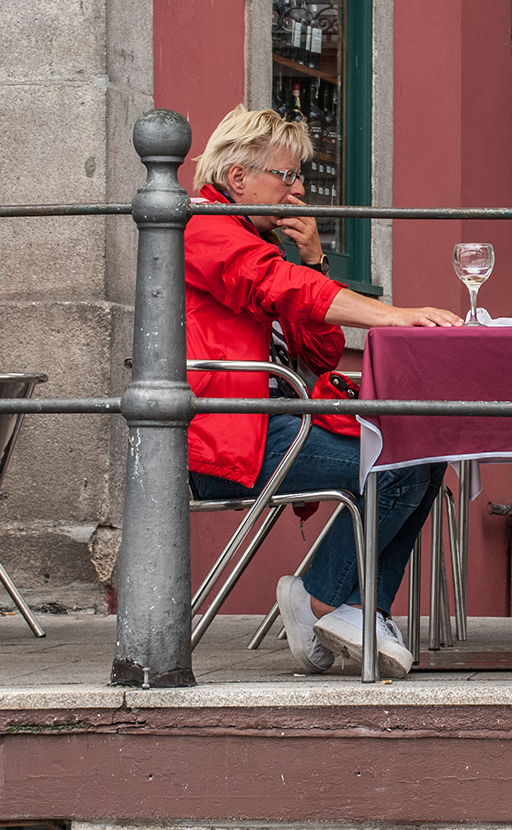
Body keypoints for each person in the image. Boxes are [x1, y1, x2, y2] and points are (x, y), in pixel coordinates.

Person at [185, 106, 462, 679]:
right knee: (400, 462)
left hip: (274, 424)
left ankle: (358, 610)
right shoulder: (205, 227)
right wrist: (393, 317)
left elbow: (320, 354)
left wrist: (314, 259)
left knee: (423, 455)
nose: (298, 190)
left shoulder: (249, 238)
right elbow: (277, 285)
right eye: (286, 176)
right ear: (240, 179)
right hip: (228, 436)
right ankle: (321, 600)